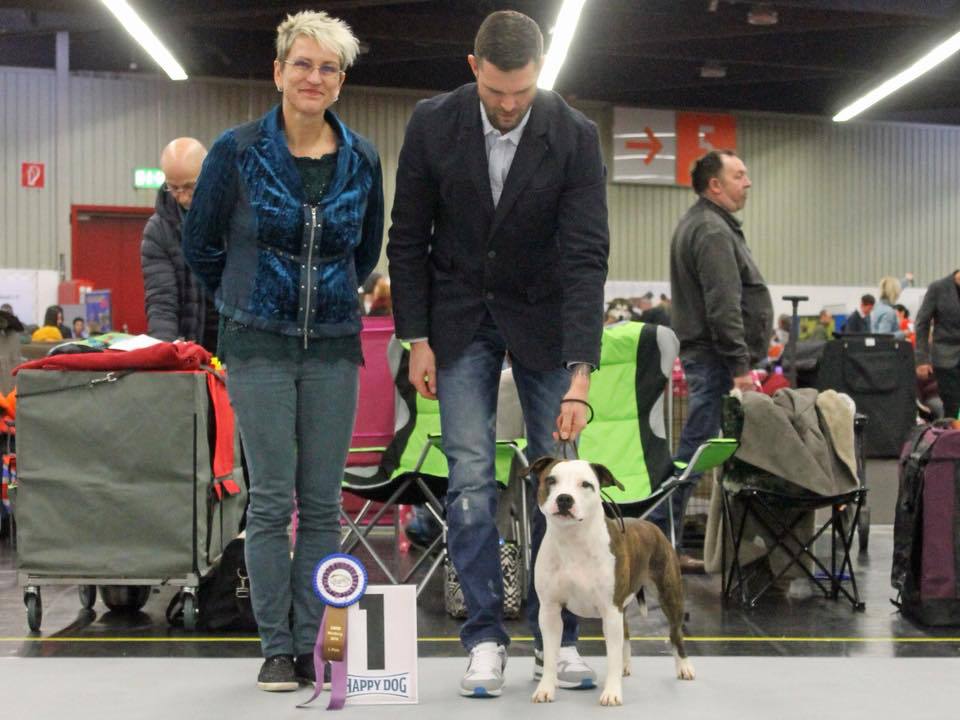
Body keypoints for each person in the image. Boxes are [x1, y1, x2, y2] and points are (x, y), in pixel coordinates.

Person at [387, 9, 608, 698]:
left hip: (544, 318)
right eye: (495, 91)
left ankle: (560, 643)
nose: (509, 106)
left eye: (522, 91)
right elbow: (407, 238)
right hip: (457, 316)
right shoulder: (432, 123)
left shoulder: (574, 135)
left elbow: (586, 256)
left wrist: (580, 375)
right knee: (471, 480)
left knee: (562, 483)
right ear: (473, 67)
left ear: (540, 73)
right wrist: (417, 338)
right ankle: (484, 638)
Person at [182, 10, 383, 693]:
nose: (313, 77)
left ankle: (311, 646)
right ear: (278, 71)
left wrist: (325, 300)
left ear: (340, 82)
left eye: (328, 68)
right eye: (302, 64)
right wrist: (246, 297)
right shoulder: (236, 151)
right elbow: (201, 245)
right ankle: (275, 646)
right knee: (270, 501)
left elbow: (364, 253)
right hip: (257, 347)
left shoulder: (363, 158)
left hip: (334, 349)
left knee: (323, 505)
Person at [647, 150, 772, 572]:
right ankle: (660, 539)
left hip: (710, 357)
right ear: (715, 185)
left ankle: (666, 539)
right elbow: (723, 305)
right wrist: (740, 367)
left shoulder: (705, 224)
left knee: (696, 450)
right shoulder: (712, 230)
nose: (747, 182)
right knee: (694, 453)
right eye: (739, 175)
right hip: (716, 360)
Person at [140, 137, 219, 351]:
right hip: (188, 349)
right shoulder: (158, 231)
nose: (183, 197)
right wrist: (166, 355)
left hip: (234, 350)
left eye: (190, 187)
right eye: (174, 188)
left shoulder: (236, 217)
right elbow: (161, 302)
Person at [915, 271, 960, 420]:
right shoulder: (938, 288)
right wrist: (922, 359)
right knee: (952, 407)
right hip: (945, 358)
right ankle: (952, 434)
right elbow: (922, 323)